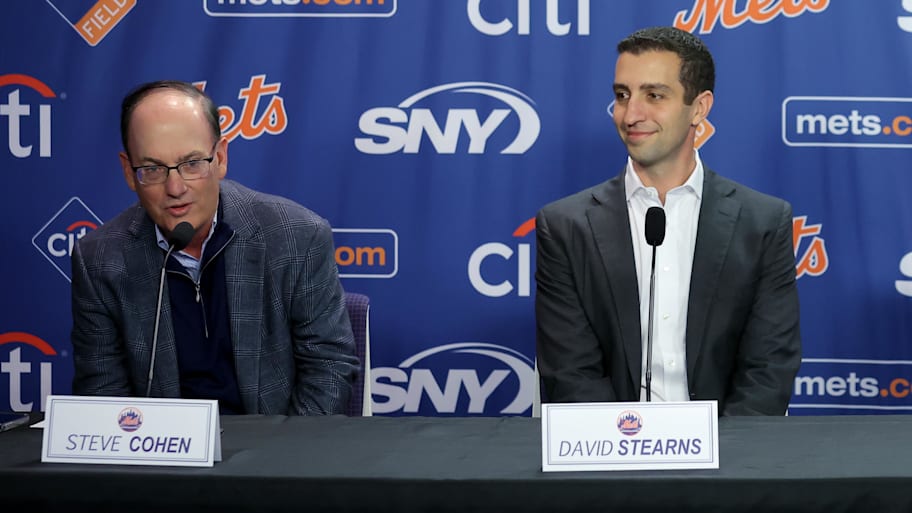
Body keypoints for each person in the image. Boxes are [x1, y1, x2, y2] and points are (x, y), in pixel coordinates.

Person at [534, 26, 800, 416]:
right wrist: (625, 454)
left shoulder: (762, 221)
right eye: (622, 95)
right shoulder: (564, 226)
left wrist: (724, 464)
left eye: (654, 95)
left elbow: (768, 369)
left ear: (699, 107)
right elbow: (570, 374)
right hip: (608, 461)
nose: (631, 114)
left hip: (728, 462)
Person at [70, 80, 358, 415]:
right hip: (161, 455)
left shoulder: (297, 237)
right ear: (129, 172)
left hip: (273, 449)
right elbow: (103, 396)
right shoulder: (100, 260)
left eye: (192, 163)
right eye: (153, 169)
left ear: (220, 158)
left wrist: (280, 458)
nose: (175, 187)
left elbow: (329, 369)